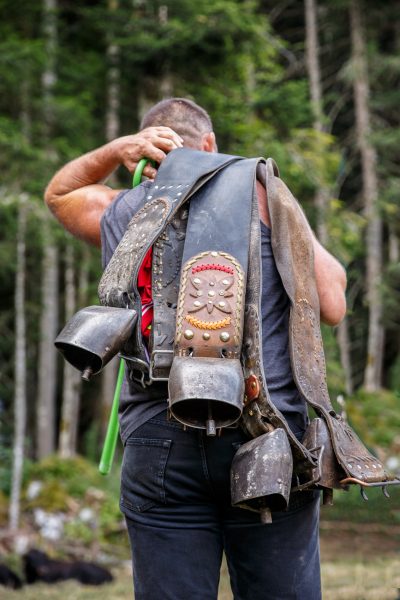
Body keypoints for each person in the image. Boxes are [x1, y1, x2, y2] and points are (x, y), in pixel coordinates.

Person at [45, 97, 346, 600]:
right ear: (209, 145)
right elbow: (332, 300)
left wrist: (116, 149)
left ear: (147, 155)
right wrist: (269, 192)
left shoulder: (125, 209)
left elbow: (61, 193)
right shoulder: (263, 196)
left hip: (159, 437)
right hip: (268, 432)